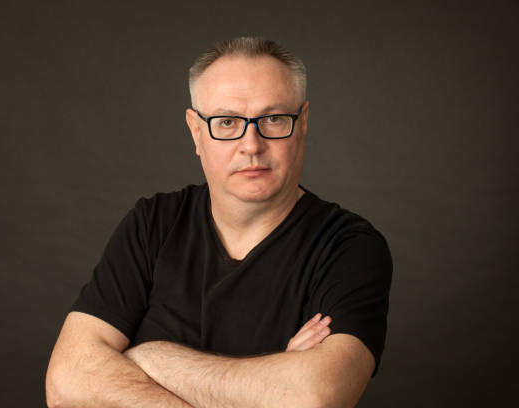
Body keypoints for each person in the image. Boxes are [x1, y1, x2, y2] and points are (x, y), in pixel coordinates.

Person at [46, 36, 392, 408]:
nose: (251, 144)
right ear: (196, 132)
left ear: (303, 122)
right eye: (227, 122)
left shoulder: (349, 248)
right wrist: (266, 382)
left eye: (273, 119)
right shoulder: (153, 224)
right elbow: (66, 382)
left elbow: (313, 397)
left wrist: (150, 358)